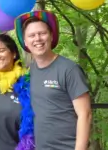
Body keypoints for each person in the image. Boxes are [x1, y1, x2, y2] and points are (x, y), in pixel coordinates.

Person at [15, 10, 92, 150]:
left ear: (51, 36)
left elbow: (85, 114)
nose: (37, 39)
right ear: (25, 42)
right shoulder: (29, 72)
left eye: (42, 33)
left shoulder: (69, 69)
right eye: (31, 35)